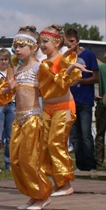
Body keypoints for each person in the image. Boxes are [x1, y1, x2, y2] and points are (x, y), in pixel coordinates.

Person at [0, 26, 52, 210]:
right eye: (15, 46)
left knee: (30, 159)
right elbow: (2, 95)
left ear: (33, 47)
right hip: (18, 119)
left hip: (33, 118)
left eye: (21, 46)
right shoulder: (16, 70)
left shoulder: (40, 67)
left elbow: (51, 89)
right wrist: (9, 88)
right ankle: (33, 194)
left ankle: (42, 195)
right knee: (16, 160)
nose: (17, 49)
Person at [38, 24, 86, 197]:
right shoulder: (43, 63)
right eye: (41, 42)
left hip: (64, 107)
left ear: (56, 42)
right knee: (44, 145)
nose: (42, 45)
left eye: (46, 41)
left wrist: (69, 64)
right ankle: (57, 183)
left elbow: (69, 81)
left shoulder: (62, 59)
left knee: (56, 143)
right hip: (48, 108)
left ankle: (65, 184)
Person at [65, 29, 99, 171]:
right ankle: (80, 165)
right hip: (69, 101)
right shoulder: (65, 58)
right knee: (74, 135)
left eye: (72, 41)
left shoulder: (88, 55)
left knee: (85, 133)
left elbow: (96, 77)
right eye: (67, 43)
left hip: (85, 100)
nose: (70, 45)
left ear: (77, 41)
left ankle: (91, 164)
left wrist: (80, 81)